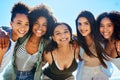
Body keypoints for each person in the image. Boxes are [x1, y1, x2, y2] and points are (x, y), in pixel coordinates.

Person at [3, 4, 56, 80]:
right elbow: (8, 29)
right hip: (11, 75)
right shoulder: (23, 35)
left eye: (44, 25)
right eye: (36, 23)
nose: (40, 28)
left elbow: (61, 37)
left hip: (31, 77)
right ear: (32, 23)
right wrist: (1, 31)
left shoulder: (47, 42)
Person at [75, 10, 113, 80]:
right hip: (84, 72)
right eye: (79, 24)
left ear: (91, 24)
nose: (82, 27)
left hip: (101, 71)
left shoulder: (101, 37)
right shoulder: (76, 41)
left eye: (86, 23)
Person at [0, 2, 30, 73]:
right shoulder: (3, 38)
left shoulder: (19, 40)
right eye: (19, 23)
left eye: (26, 24)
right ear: (11, 24)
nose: (23, 28)